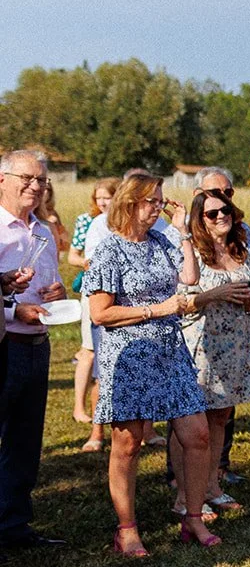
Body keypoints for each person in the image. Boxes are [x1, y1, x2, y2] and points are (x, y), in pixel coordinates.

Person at [87, 173, 250, 554]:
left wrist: (183, 233)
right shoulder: (110, 250)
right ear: (129, 204)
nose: (158, 206)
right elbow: (100, 313)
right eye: (150, 201)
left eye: (160, 199)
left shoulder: (161, 240)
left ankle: (192, 518)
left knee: (198, 435)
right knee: (128, 444)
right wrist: (156, 310)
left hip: (169, 351)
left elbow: (189, 277)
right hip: (129, 355)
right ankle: (126, 529)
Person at [177, 189, 250, 518]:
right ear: (200, 220)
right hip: (203, 345)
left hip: (237, 343)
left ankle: (210, 485)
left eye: (224, 209)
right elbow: (181, 303)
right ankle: (184, 495)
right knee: (191, 423)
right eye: (211, 213)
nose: (221, 216)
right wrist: (215, 294)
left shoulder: (240, 250)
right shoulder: (192, 252)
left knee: (221, 418)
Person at [0, 150, 69, 549]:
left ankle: (13, 526)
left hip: (36, 345)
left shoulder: (43, 231)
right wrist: (14, 307)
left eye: (41, 180)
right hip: (4, 343)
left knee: (25, 441)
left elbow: (51, 283)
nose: (35, 186)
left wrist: (56, 291)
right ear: (3, 180)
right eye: (26, 178)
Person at [69, 177, 119, 452]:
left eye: (107, 197)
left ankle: (143, 430)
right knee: (95, 357)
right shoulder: (94, 223)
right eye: (99, 197)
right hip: (98, 294)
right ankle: (96, 429)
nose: (102, 202)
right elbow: (77, 256)